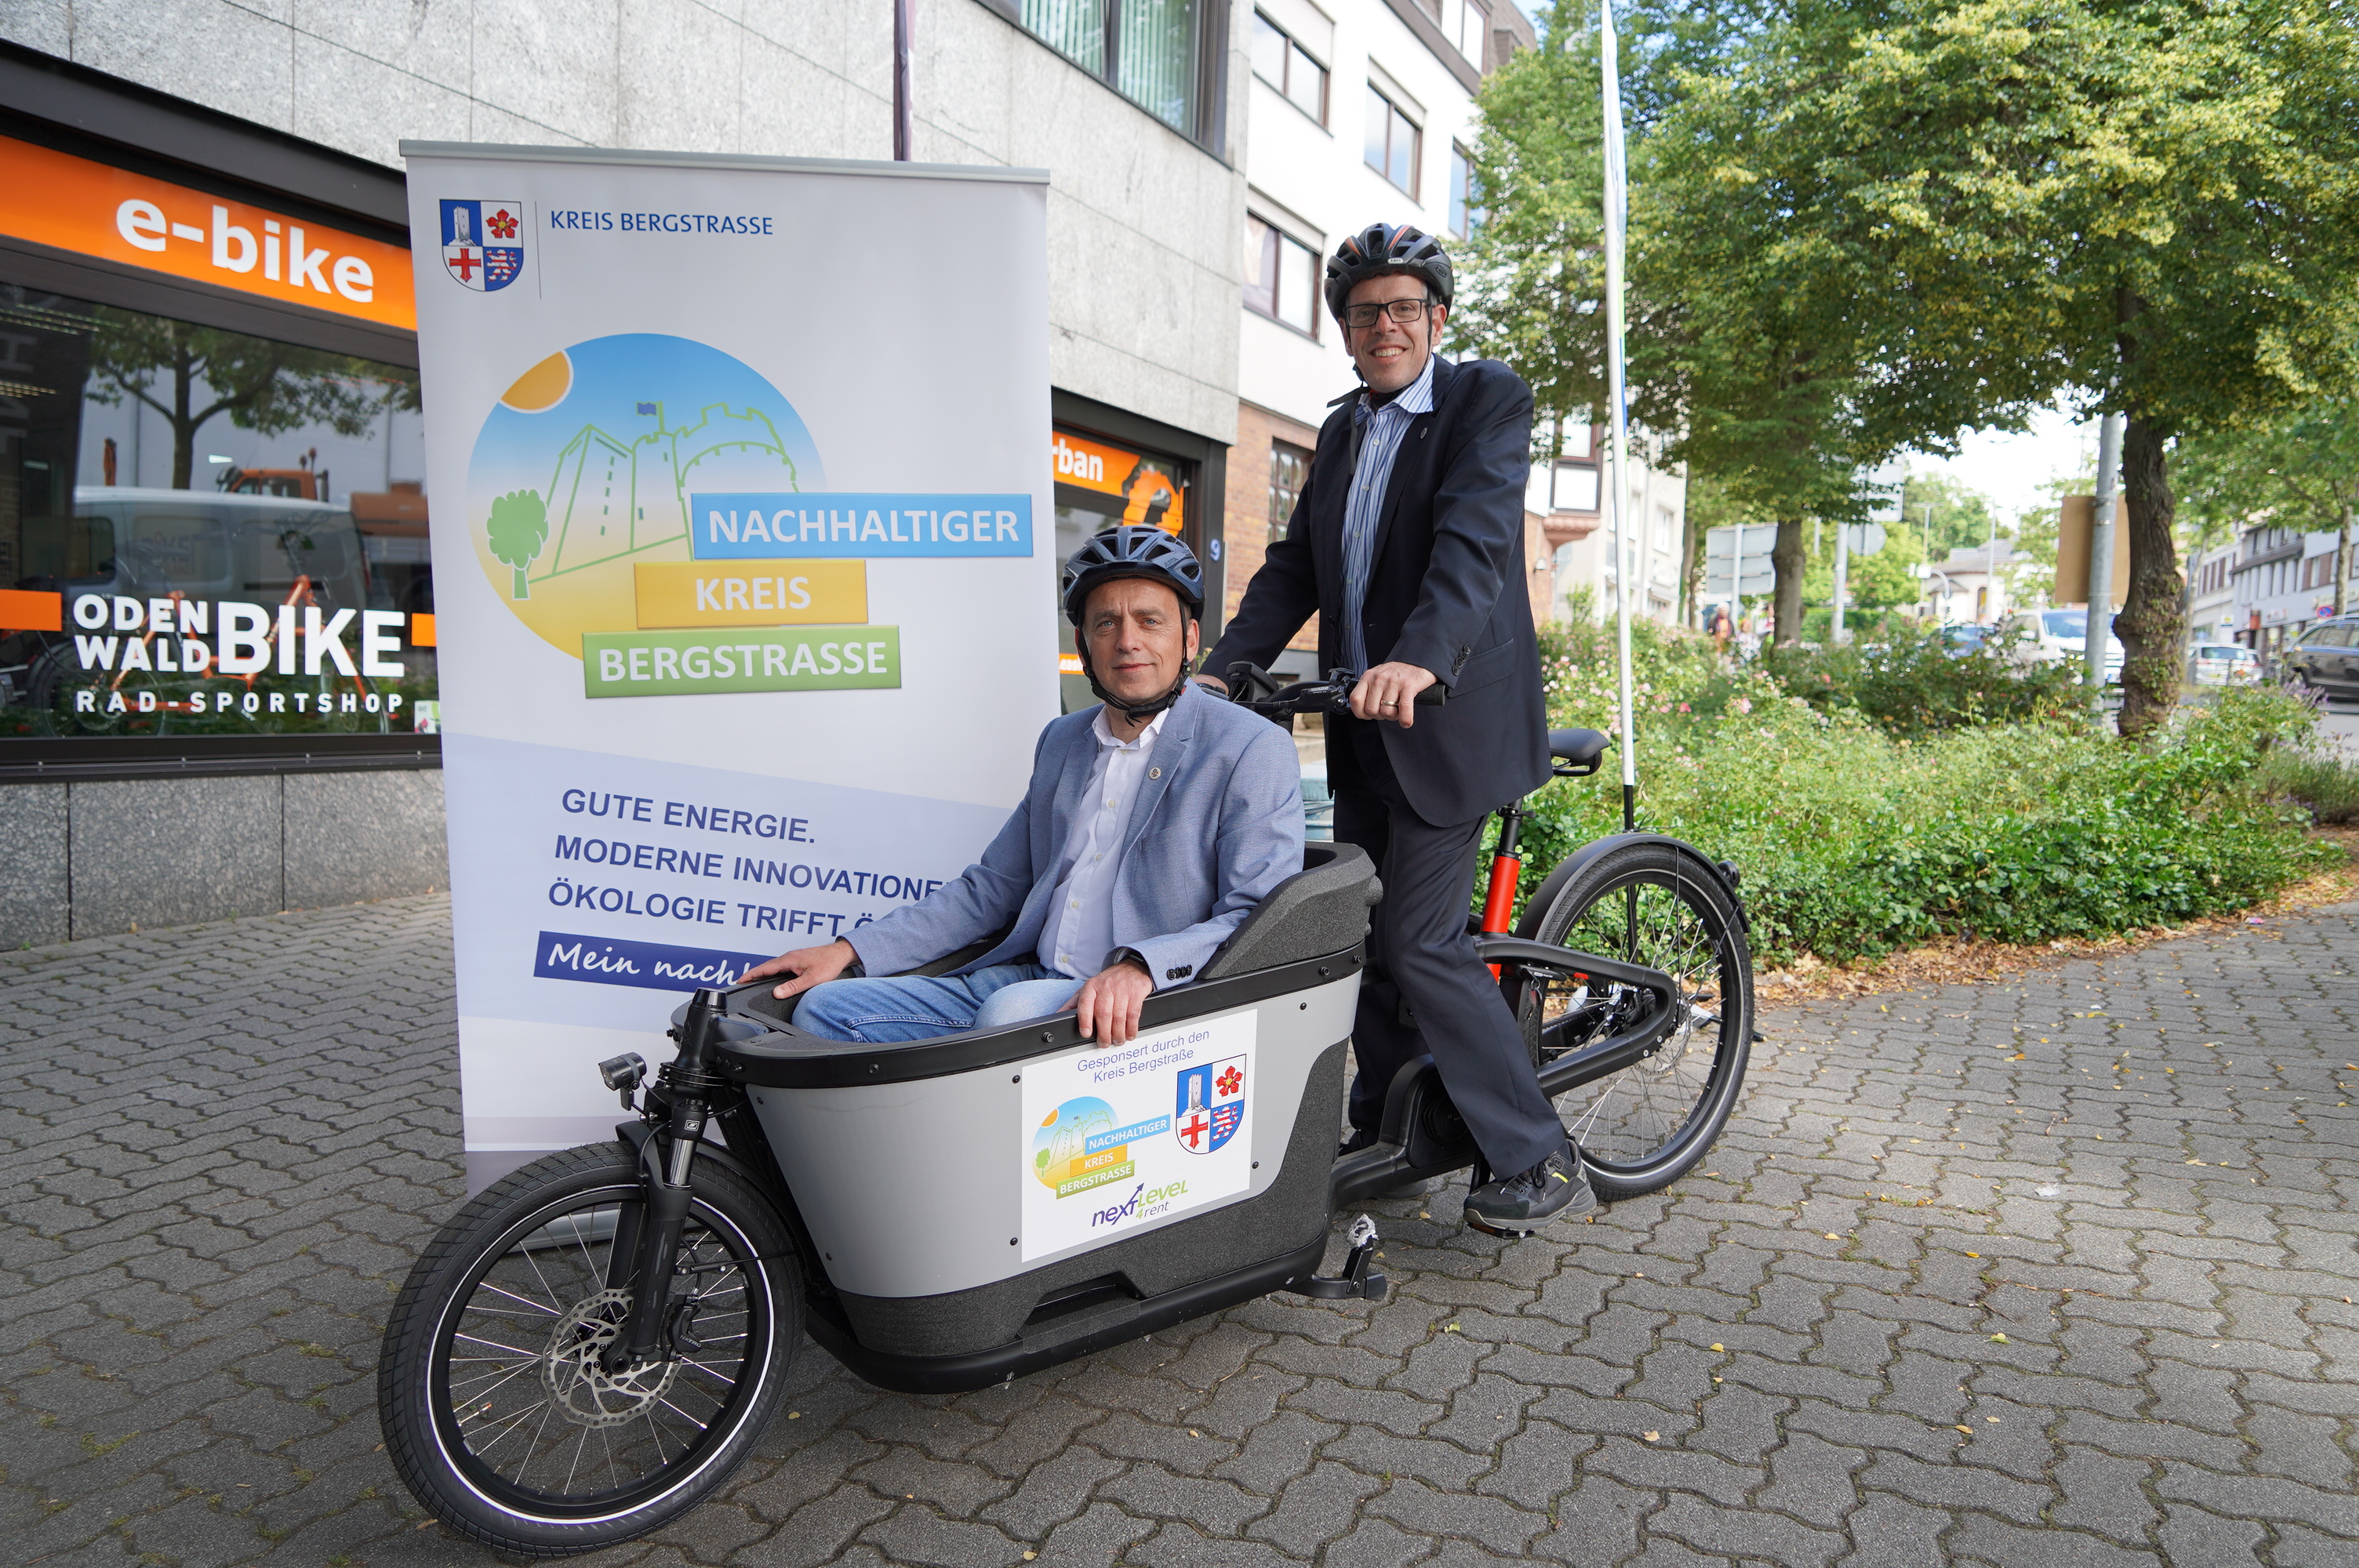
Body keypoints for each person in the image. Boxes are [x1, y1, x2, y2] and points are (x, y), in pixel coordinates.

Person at [1196, 222, 1595, 1235]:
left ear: (1437, 320)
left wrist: (1420, 657)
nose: (1385, 326)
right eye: (1365, 311)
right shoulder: (1340, 431)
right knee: (1361, 934)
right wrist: (1221, 671)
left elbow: (1473, 540)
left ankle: (1535, 1152)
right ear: (1344, 330)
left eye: (1404, 308)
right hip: (1363, 721)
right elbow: (1296, 566)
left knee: (1419, 942)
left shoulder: (1483, 400)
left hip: (1447, 717)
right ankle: (1393, 1128)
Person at [743, 527, 1303, 1047]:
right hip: (1028, 979)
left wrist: (1141, 967)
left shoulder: (1250, 746)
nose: (1128, 641)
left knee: (1007, 1018)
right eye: (1106, 624)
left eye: (1150, 621)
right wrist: (849, 950)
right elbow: (992, 888)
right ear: (1084, 645)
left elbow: (1259, 912)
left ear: (1189, 638)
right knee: (824, 1009)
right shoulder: (1063, 740)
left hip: (1143, 1001)